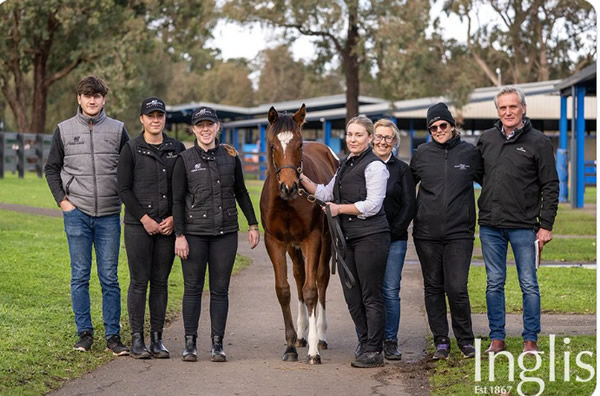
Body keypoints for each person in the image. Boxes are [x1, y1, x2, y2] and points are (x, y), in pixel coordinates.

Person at [44, 76, 130, 355]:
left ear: (104, 99)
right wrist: (63, 201)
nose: (92, 100)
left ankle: (113, 337)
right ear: (79, 99)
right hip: (77, 213)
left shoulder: (118, 130)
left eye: (97, 95)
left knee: (109, 277)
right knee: (80, 275)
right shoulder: (64, 130)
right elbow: (51, 168)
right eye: (87, 95)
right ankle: (84, 333)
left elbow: (130, 168)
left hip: (108, 215)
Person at [300, 115, 390, 368]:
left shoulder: (375, 167)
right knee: (352, 296)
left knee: (370, 295)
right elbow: (326, 192)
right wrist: (302, 179)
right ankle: (364, 341)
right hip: (347, 239)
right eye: (350, 134)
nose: (353, 139)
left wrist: (339, 209)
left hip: (371, 236)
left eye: (358, 135)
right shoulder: (346, 164)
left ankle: (374, 349)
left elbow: (373, 205)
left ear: (370, 138)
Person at [172, 106, 260, 362]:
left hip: (225, 234)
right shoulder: (184, 160)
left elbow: (241, 192)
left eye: (210, 124)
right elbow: (177, 201)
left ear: (218, 127)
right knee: (192, 288)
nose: (205, 129)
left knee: (220, 289)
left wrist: (253, 224)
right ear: (194, 129)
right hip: (194, 234)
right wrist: (179, 235)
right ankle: (190, 343)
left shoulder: (230, 158)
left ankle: (217, 343)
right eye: (200, 125)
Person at [477, 86, 559, 355]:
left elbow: (550, 185)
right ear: (497, 111)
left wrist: (546, 225)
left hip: (525, 227)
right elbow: (482, 176)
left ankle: (530, 341)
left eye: (513, 106)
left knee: (528, 284)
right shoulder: (486, 139)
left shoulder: (539, 142)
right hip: (490, 226)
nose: (508, 112)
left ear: (523, 108)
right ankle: (497, 339)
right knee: (494, 283)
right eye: (503, 107)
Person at [410, 103, 482, 360]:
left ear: (452, 126)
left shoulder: (470, 154)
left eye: (443, 125)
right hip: (426, 234)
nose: (439, 130)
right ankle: (441, 339)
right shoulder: (421, 154)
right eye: (433, 127)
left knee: (457, 287)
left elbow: (492, 185)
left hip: (459, 233)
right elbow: (406, 191)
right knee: (433, 287)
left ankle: (465, 339)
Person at [117, 97, 186, 359]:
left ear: (164, 118)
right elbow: (123, 188)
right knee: (139, 282)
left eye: (160, 115)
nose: (155, 120)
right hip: (138, 227)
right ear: (142, 120)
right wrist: (144, 218)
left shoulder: (176, 148)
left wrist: (173, 219)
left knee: (160, 282)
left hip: (167, 228)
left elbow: (182, 189)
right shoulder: (131, 149)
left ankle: (157, 340)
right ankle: (138, 340)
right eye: (150, 115)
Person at [371, 119, 416, 361]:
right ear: (372, 138)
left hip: (393, 240)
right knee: (369, 291)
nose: (382, 141)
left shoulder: (402, 170)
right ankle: (370, 340)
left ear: (394, 142)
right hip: (366, 240)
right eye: (378, 136)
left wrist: (391, 232)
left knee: (389, 290)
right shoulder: (361, 166)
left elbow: (409, 206)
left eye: (388, 138)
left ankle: (390, 340)